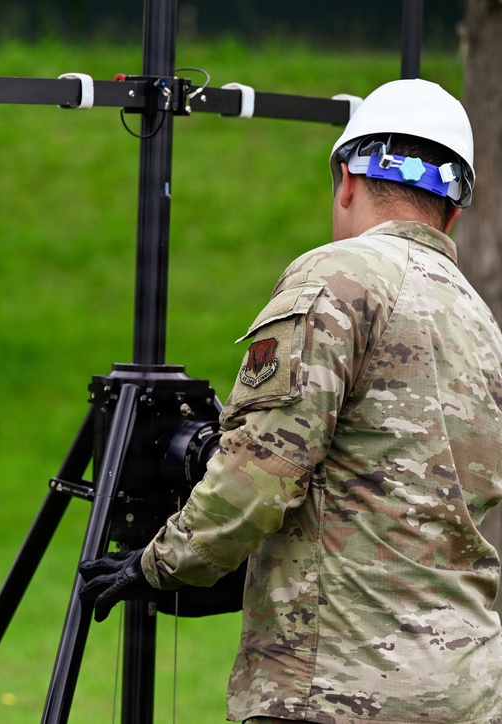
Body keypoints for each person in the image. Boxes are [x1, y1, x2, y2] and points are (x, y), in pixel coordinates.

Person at [79, 78, 502, 722]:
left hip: (335, 687)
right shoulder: (480, 322)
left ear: (346, 179)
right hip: (469, 690)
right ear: (454, 211)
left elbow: (257, 475)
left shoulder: (337, 278)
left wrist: (156, 564)